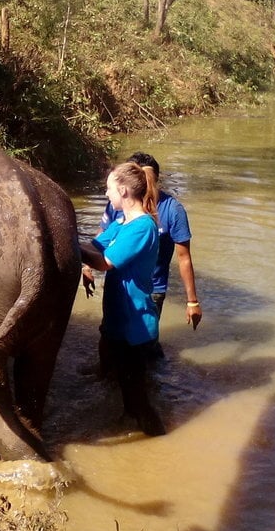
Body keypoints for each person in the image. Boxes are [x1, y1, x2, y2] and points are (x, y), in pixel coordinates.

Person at [80, 161, 165, 436]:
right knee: (123, 390)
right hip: (119, 318)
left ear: (125, 191)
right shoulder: (121, 222)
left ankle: (157, 442)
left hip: (135, 324)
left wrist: (73, 251)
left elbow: (104, 262)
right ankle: (133, 437)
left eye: (109, 189)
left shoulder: (143, 228)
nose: (106, 194)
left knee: (137, 397)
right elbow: (93, 246)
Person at [83, 151, 201, 335]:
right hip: (120, 282)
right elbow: (101, 238)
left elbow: (183, 257)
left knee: (139, 339)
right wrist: (85, 266)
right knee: (113, 334)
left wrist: (192, 301)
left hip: (152, 286)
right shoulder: (120, 207)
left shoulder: (170, 211)